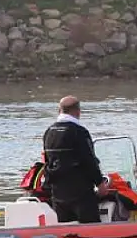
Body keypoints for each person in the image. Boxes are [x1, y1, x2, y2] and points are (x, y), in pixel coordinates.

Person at [41, 96, 108, 224]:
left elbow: (47, 161)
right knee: (91, 228)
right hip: (80, 193)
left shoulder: (49, 132)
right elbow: (89, 161)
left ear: (59, 110)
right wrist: (100, 184)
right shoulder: (79, 132)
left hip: (58, 194)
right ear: (78, 112)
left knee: (65, 231)